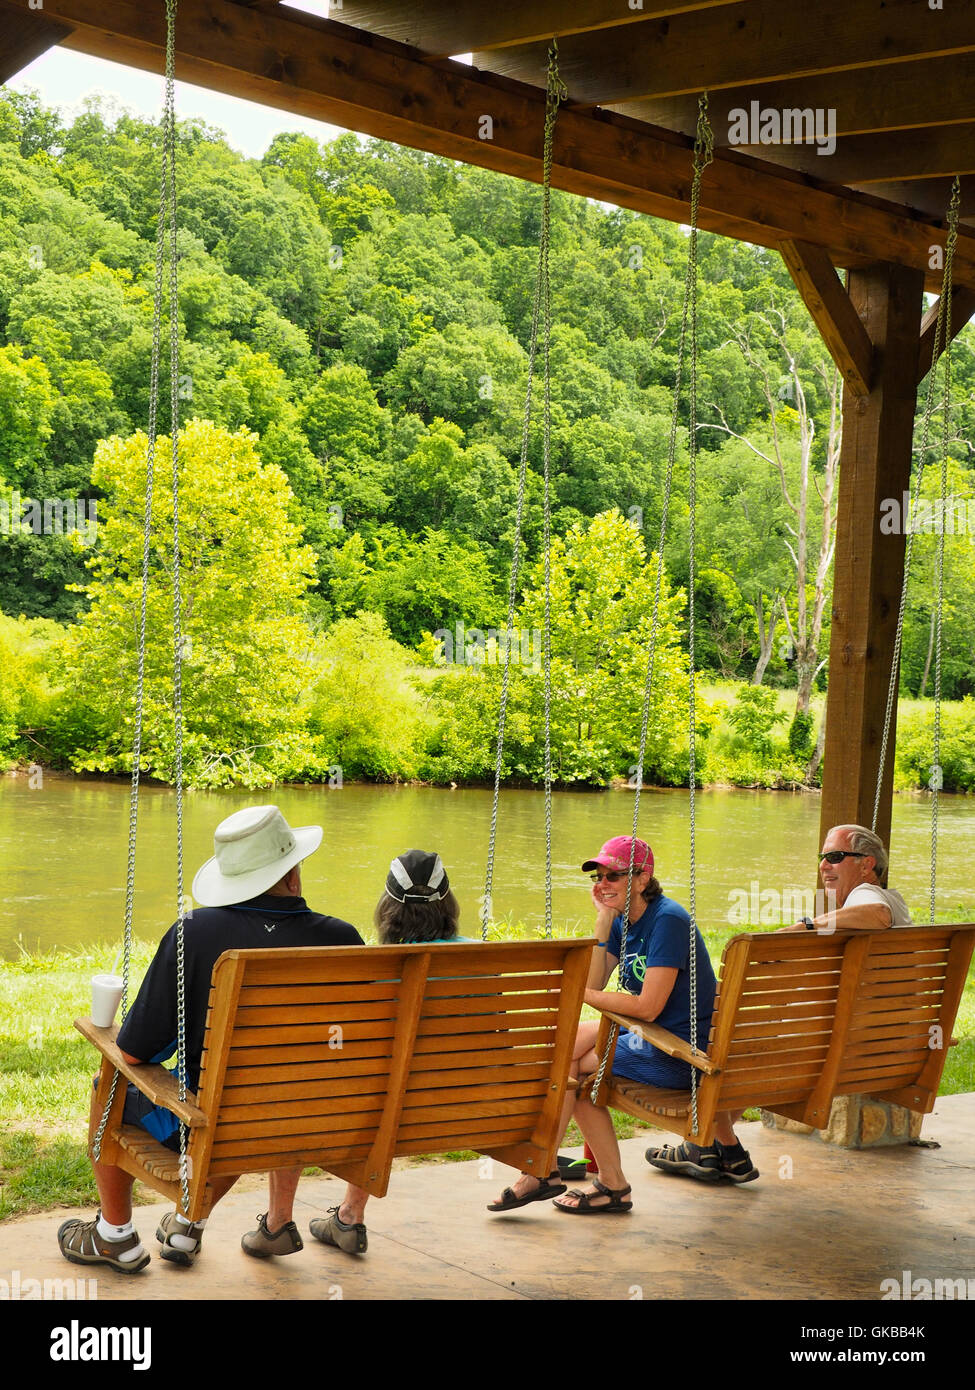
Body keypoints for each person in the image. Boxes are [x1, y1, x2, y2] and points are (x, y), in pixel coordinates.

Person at [57, 805, 363, 1274]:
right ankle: (187, 1224)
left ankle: (113, 1235)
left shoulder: (195, 934)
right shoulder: (343, 939)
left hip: (217, 1121)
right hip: (308, 1119)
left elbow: (137, 1050)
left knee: (112, 1087)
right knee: (255, 1098)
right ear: (292, 876)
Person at [488, 836, 756, 1213]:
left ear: (643, 878)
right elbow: (595, 983)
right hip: (646, 1040)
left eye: (614, 875)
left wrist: (581, 995)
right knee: (562, 1054)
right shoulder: (621, 921)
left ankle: (560, 1174)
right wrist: (602, 919)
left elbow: (646, 1007)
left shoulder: (668, 920)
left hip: (681, 1053)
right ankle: (562, 1174)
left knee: (574, 1069)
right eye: (599, 876)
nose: (602, 884)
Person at [306, 848, 467, 1256]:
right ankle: (347, 1216)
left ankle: (280, 1223)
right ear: (448, 904)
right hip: (465, 1107)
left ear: (386, 909)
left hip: (381, 1108)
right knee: (392, 1091)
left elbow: (340, 1049)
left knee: (378, 1093)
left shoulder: (371, 966)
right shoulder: (479, 956)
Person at [778, 824, 911, 932]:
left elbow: (880, 914)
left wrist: (809, 924)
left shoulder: (863, 892)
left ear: (866, 866)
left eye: (835, 856)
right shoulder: (895, 899)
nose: (823, 866)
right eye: (822, 858)